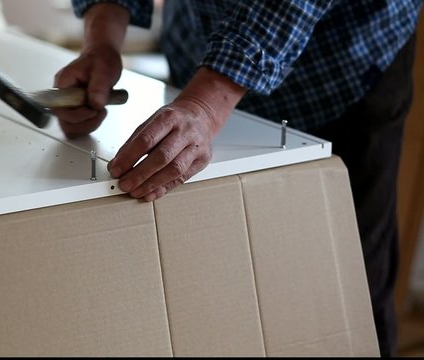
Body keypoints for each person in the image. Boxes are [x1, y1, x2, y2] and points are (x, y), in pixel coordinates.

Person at [52, 0, 422, 356]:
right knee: (218, 288)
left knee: (341, 292)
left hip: (339, 67)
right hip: (202, 48)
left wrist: (206, 103)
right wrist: (102, 40)